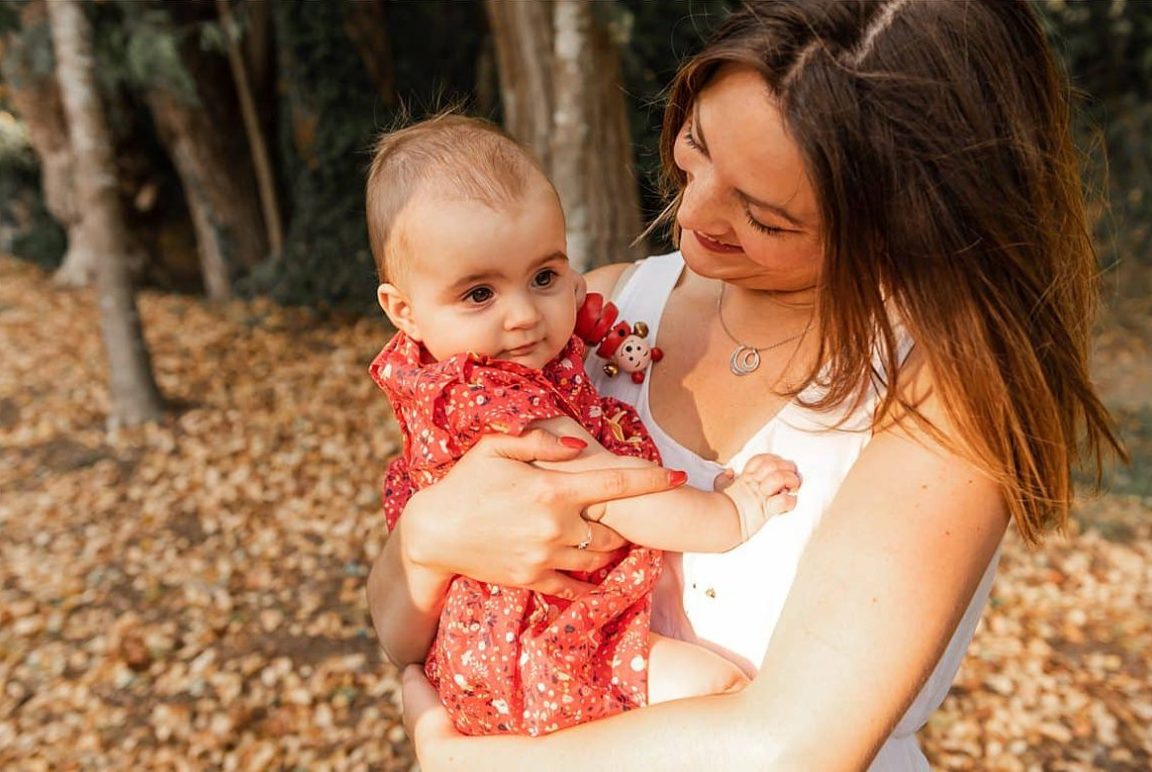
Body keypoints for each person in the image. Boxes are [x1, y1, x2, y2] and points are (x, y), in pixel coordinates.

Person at [367, 1, 1123, 768]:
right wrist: (426, 540)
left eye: (762, 216)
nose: (692, 211)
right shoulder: (595, 315)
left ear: (899, 218)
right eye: (696, 146)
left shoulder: (942, 394)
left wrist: (469, 762)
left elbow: (793, 748)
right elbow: (402, 629)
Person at [364, 115, 800, 737]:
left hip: (516, 642)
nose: (523, 315)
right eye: (479, 294)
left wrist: (603, 332)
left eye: (543, 277)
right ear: (403, 310)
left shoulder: (468, 364)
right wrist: (735, 511)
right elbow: (619, 494)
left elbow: (580, 311)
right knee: (720, 692)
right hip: (539, 647)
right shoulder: (494, 397)